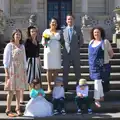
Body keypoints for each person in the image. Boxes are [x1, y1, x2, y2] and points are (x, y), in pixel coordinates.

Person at [3, 29, 28, 117]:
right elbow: (6, 60)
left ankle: (17, 108)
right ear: (13, 35)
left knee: (18, 90)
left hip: (20, 70)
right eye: (16, 34)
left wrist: (25, 68)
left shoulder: (22, 46)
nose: (18, 36)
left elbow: (24, 59)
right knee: (10, 91)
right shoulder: (9, 46)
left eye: (19, 34)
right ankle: (8, 109)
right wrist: (6, 72)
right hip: (12, 69)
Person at [88, 27, 114, 108]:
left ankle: (96, 99)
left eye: (98, 32)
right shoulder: (91, 42)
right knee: (98, 81)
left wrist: (106, 60)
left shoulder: (105, 42)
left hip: (102, 66)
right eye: (95, 32)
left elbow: (111, 54)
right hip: (93, 65)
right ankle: (102, 97)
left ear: (101, 33)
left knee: (97, 82)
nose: (96, 34)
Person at [62, 14, 82, 91]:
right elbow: (62, 41)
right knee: (65, 71)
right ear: (66, 21)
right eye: (68, 19)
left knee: (77, 71)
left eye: (71, 19)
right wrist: (64, 48)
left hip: (75, 53)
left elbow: (81, 40)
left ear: (74, 20)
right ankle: (65, 87)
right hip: (66, 54)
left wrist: (76, 48)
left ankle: (79, 87)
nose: (70, 21)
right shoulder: (63, 30)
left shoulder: (78, 29)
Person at [41, 17, 61, 93]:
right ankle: (49, 86)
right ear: (50, 24)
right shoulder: (46, 31)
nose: (54, 24)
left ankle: (55, 86)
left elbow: (62, 41)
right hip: (48, 53)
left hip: (57, 53)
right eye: (52, 22)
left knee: (56, 70)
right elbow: (43, 42)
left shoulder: (59, 32)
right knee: (49, 70)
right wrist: (46, 40)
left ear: (57, 24)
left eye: (55, 22)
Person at [25, 26, 41, 90]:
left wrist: (40, 62)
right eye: (32, 31)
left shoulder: (37, 41)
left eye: (35, 31)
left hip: (36, 61)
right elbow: (25, 52)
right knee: (30, 77)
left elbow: (38, 53)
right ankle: (31, 93)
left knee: (37, 77)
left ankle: (37, 93)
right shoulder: (27, 41)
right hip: (30, 61)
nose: (33, 33)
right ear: (29, 33)